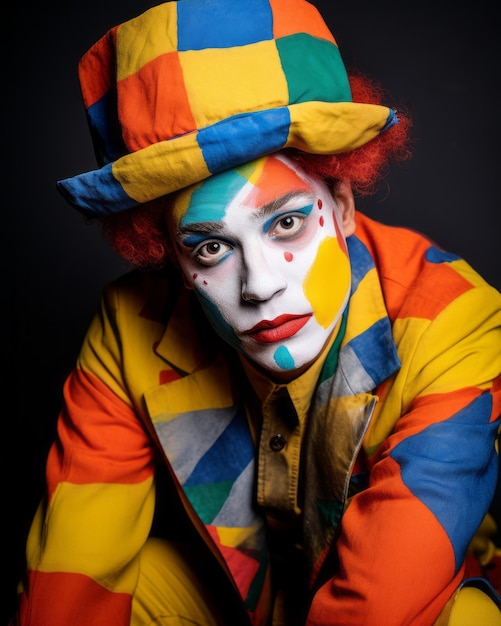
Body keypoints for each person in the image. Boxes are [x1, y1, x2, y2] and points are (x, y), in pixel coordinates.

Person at [10, 1, 501, 624]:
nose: (260, 286)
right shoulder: (128, 325)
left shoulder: (454, 316)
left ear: (342, 204)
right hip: (251, 604)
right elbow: (73, 567)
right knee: (130, 587)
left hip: (404, 600)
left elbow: (384, 603)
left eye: (289, 223)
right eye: (211, 247)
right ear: (168, 253)